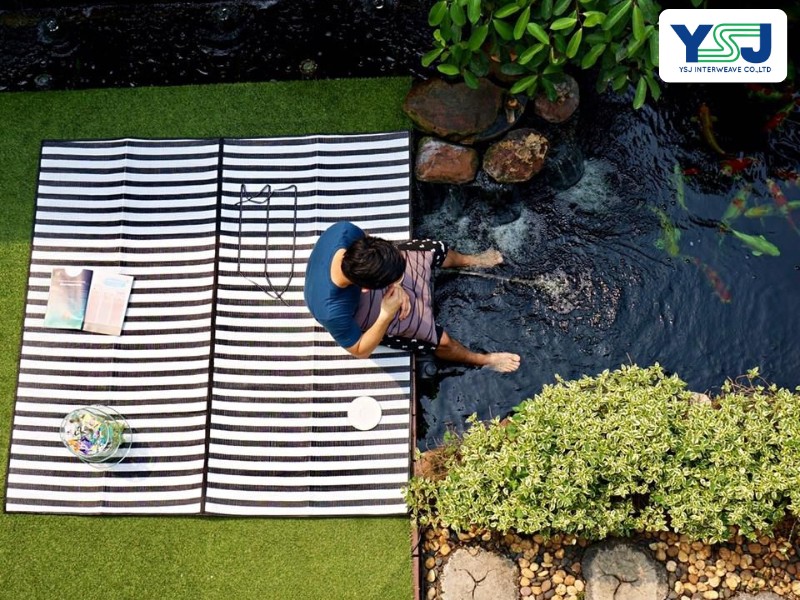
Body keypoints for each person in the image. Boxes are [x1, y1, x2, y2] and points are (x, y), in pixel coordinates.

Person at [303, 221, 521, 373]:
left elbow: (369, 242)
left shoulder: (345, 232)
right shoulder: (331, 311)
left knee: (435, 249)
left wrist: (396, 282)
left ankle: (469, 260)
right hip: (358, 311)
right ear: (367, 289)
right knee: (441, 340)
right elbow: (360, 350)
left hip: (369, 270)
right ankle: (483, 360)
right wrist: (386, 313)